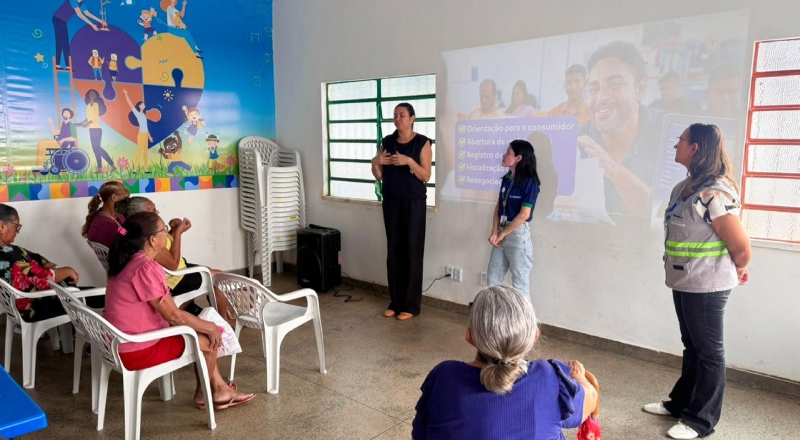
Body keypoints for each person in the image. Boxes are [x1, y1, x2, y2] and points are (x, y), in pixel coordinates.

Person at [643, 123, 751, 440]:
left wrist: (740, 267)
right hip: (685, 280)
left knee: (709, 352)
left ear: (696, 149)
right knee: (692, 346)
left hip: (708, 284)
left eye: (682, 141)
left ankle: (700, 421)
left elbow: (741, 246)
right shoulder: (684, 188)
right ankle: (680, 404)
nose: (676, 145)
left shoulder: (713, 193)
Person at [104, 212, 255, 410]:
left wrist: (204, 325)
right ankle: (207, 393)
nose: (166, 234)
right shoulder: (145, 268)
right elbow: (173, 316)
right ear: (152, 240)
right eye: (164, 230)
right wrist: (210, 328)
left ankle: (216, 389)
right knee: (209, 339)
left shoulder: (126, 260)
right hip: (137, 347)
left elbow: (168, 312)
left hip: (119, 340)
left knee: (201, 328)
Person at [412, 285, 598, 439]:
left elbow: (419, 434)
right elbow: (589, 402)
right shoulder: (548, 377)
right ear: (534, 335)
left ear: (470, 337)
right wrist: (579, 378)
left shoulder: (444, 376)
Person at [115, 196, 234, 324]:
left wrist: (172, 231)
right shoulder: (146, 241)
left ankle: (210, 313)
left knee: (213, 272)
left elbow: (166, 248)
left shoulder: (138, 235)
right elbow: (172, 264)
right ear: (141, 217)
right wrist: (178, 233)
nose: (157, 213)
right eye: (153, 211)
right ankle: (225, 321)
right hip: (174, 279)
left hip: (177, 271)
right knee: (219, 277)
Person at [371, 103, 432, 321]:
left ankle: (411, 305)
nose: (398, 119)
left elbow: (426, 176)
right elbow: (378, 175)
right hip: (392, 201)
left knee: (412, 251)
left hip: (414, 203)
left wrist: (408, 161)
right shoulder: (387, 141)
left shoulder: (422, 142)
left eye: (403, 115)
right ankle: (395, 302)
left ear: (412, 118)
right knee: (394, 250)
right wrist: (375, 161)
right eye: (395, 115)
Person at [0, 204, 80, 322]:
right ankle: (75, 338)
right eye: (16, 226)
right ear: (1, 226)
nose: (17, 231)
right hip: (32, 308)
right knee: (90, 297)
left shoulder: (7, 249)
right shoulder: (12, 254)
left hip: (14, 307)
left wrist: (41, 261)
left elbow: (27, 254)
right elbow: (45, 277)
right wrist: (69, 271)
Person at [487, 140, 540, 298]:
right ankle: (493, 320)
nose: (504, 155)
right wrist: (495, 232)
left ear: (518, 158)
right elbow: (498, 207)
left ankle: (525, 323)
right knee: (492, 281)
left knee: (520, 285)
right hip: (502, 232)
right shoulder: (507, 179)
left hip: (517, 236)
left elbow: (524, 215)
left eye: (508, 153)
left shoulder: (530, 183)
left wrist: (503, 234)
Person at [51, 0, 104, 71]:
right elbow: (79, 14)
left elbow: (87, 13)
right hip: (58, 19)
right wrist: (92, 25)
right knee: (64, 43)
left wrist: (100, 21)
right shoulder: (73, 1)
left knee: (60, 43)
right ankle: (68, 66)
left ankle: (58, 65)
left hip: (62, 21)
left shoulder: (80, 4)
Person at [82, 181, 130, 248]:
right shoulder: (104, 225)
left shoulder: (114, 216)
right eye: (125, 198)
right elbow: (124, 245)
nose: (127, 202)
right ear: (114, 197)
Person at [78, 89, 116, 172]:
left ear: (96, 96)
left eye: (93, 93)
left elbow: (95, 118)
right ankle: (110, 166)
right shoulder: (88, 105)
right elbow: (88, 117)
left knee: (97, 149)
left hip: (96, 129)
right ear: (88, 96)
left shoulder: (96, 105)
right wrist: (81, 123)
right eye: (90, 94)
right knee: (97, 149)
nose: (92, 95)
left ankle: (104, 167)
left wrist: (86, 123)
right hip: (91, 129)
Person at [123, 88, 153, 173]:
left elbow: (146, 127)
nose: (144, 106)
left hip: (145, 134)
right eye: (142, 105)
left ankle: (146, 168)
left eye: (144, 105)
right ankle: (135, 168)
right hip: (141, 135)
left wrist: (149, 136)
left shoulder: (144, 115)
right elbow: (130, 104)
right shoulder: (137, 113)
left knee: (145, 152)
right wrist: (126, 94)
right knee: (140, 151)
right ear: (139, 106)